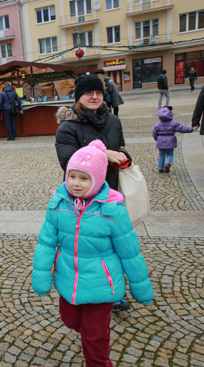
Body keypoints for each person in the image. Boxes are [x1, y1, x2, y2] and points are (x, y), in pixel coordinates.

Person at [32, 140, 154, 367]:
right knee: (69, 320)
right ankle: (87, 333)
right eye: (72, 176)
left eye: (84, 178)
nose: (76, 183)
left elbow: (130, 253)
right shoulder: (58, 203)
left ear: (97, 179)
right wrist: (41, 276)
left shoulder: (113, 210)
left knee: (95, 335)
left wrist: (140, 286)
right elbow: (46, 243)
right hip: (68, 279)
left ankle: (98, 362)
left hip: (102, 284)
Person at [55, 73, 132, 311]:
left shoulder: (113, 121)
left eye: (98, 92)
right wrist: (103, 154)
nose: (95, 96)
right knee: (86, 246)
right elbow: (69, 161)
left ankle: (114, 291)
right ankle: (79, 288)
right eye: (89, 93)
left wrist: (123, 156)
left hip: (110, 192)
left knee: (114, 246)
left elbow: (120, 146)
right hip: (81, 197)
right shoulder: (68, 127)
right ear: (79, 97)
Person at [152, 106, 193, 173]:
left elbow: (154, 133)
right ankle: (168, 164)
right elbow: (182, 129)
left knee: (161, 155)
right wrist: (192, 128)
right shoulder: (174, 123)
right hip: (170, 141)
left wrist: (158, 139)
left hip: (161, 141)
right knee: (170, 154)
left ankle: (160, 168)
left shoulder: (157, 125)